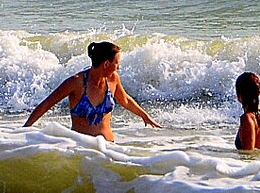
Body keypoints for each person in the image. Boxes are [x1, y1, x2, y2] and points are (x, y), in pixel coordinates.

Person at [24, 41, 161, 141]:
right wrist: (25, 129)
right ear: (106, 63)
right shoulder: (76, 82)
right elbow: (47, 103)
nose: (118, 67)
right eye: (117, 63)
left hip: (108, 148)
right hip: (81, 149)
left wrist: (145, 116)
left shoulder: (113, 79)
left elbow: (125, 100)